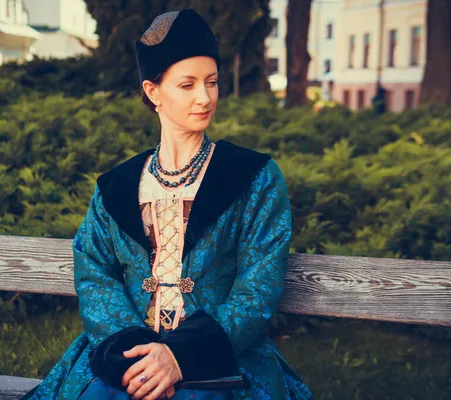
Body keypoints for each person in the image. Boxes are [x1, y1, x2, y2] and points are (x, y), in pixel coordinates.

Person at [21, 9, 314, 400]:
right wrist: (137, 355)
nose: (205, 97)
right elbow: (94, 273)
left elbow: (257, 292)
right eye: (187, 84)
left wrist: (178, 355)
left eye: (211, 82)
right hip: (128, 357)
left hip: (223, 359)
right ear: (153, 91)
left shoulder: (254, 177)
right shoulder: (116, 187)